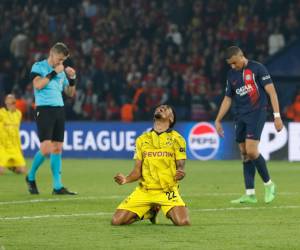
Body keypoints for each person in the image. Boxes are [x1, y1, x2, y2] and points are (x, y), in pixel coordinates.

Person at [215, 46, 283, 204]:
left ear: (241, 56)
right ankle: (250, 193)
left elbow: (272, 92)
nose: (233, 66)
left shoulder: (258, 68)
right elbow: (228, 98)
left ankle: (269, 184)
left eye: (234, 63)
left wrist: (277, 116)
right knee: (244, 153)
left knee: (252, 151)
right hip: (239, 115)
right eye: (230, 64)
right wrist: (218, 119)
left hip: (257, 113)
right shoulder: (231, 74)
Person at [112, 104, 190, 226]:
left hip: (167, 191)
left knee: (183, 222)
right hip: (145, 190)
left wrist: (180, 172)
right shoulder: (141, 140)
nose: (161, 108)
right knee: (117, 221)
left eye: (166, 108)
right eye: (159, 107)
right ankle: (150, 212)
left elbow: (180, 165)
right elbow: (137, 171)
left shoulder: (178, 139)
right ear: (154, 117)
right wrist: (125, 180)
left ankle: (168, 209)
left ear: (171, 118)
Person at [25, 42, 77, 195]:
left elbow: (69, 93)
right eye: (59, 59)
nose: (60, 63)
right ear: (51, 53)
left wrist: (72, 78)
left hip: (59, 109)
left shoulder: (61, 71)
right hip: (44, 109)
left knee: (57, 148)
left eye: (63, 61)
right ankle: (30, 176)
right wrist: (54, 72)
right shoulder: (38, 66)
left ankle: (57, 186)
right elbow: (38, 85)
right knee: (46, 147)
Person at [0, 94, 26, 175]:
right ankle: (6, 165)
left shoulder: (18, 114)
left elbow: (17, 131)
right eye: (8, 99)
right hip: (3, 147)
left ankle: (11, 166)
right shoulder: (1, 113)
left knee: (22, 171)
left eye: (12, 99)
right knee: (1, 172)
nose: (11, 101)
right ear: (5, 102)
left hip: (15, 147)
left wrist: (20, 147)